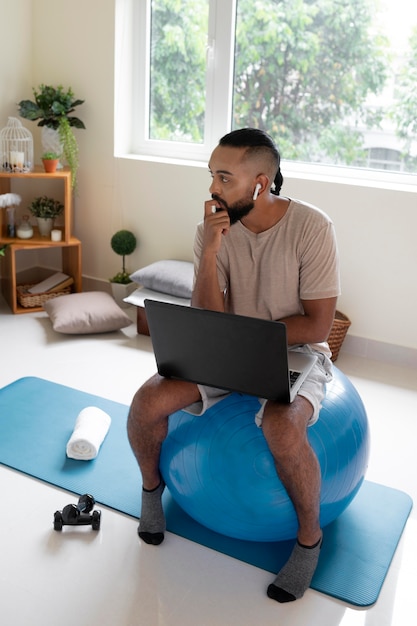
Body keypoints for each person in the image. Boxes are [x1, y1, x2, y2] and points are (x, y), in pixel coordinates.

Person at [127, 128, 340, 603]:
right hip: (226, 348)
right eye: (211, 176)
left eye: (224, 178)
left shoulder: (312, 226)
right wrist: (210, 252)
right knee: (147, 402)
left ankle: (309, 540)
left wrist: (259, 336)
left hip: (295, 352)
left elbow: (320, 323)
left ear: (260, 183)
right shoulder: (213, 229)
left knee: (282, 431)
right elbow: (209, 317)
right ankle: (149, 492)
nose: (213, 188)